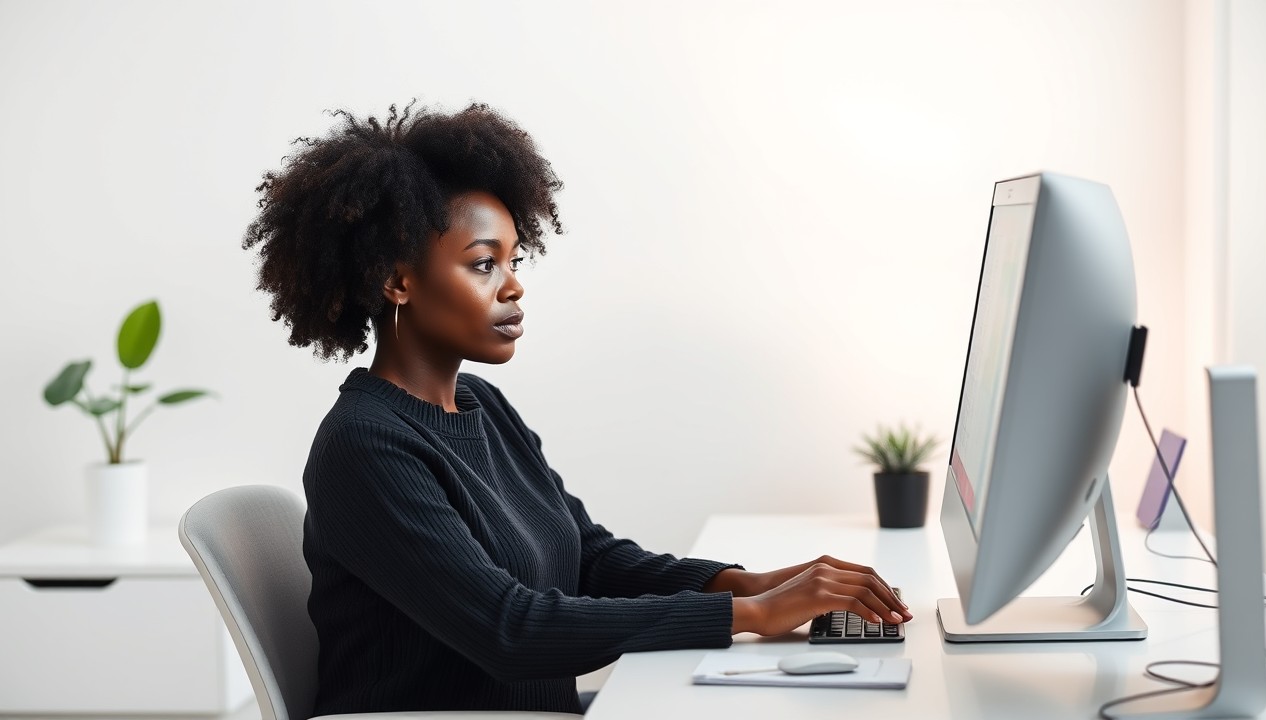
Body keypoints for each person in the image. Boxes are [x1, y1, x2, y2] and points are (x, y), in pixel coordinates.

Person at [242, 100, 912, 716]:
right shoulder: (365, 446)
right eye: (483, 264)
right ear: (398, 280)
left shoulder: (482, 406)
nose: (514, 286)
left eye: (514, 259)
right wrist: (752, 616)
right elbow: (510, 631)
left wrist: (744, 584)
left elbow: (590, 560)